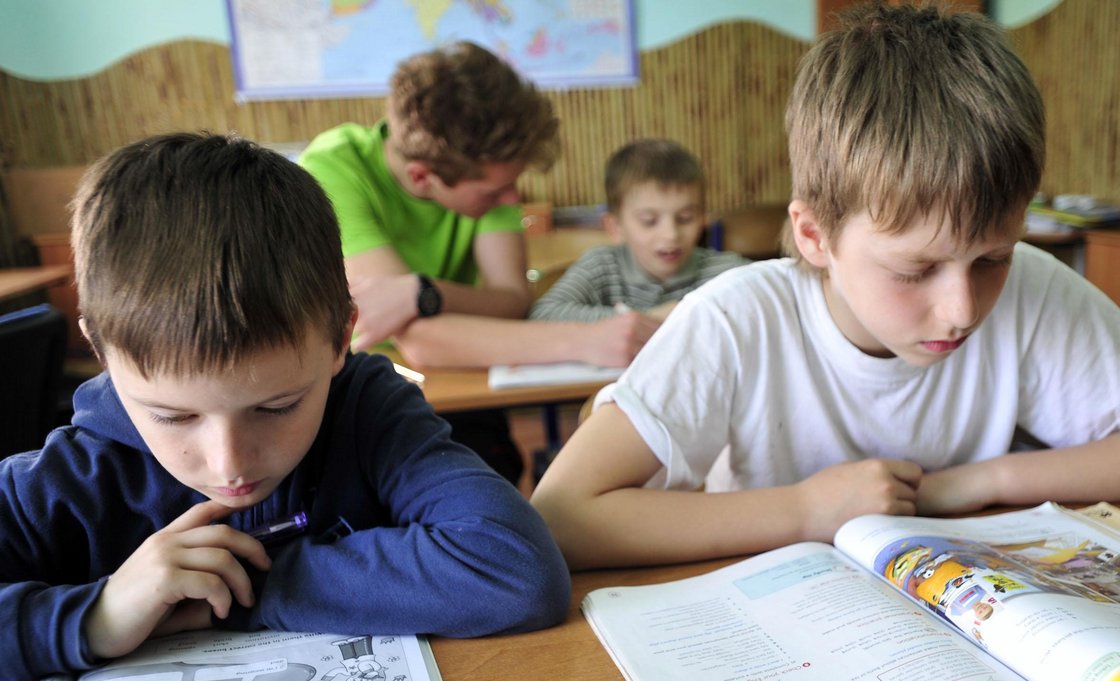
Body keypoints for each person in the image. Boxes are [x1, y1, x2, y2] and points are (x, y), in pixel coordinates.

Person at [531, 3, 1120, 570]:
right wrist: (805, 509)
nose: (962, 309)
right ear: (815, 235)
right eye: (913, 271)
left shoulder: (1035, 288)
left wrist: (987, 479)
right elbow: (560, 516)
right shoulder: (735, 320)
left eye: (993, 258)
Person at [0, 132, 571, 681]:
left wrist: (241, 589)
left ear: (340, 339)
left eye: (277, 406)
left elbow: (516, 569)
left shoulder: (368, 410)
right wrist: (96, 617)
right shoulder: (70, 478)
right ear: (101, 352)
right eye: (173, 417)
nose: (230, 464)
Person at [299, 42, 659, 483]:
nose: (511, 201)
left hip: (468, 387)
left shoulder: (482, 171)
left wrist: (424, 293)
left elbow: (512, 298)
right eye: (493, 193)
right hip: (360, 399)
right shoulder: (334, 169)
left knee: (498, 472)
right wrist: (587, 340)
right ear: (421, 177)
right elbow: (423, 342)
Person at [529, 139, 744, 323]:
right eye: (649, 221)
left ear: (703, 219)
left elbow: (763, 296)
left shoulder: (725, 272)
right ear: (615, 227)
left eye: (685, 218)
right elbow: (543, 314)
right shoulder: (602, 266)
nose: (671, 234)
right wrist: (647, 320)